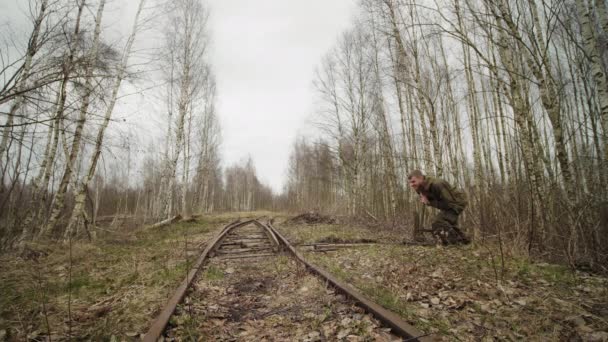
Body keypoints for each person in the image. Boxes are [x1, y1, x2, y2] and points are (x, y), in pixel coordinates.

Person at [407, 170, 470, 245]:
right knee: (449, 223)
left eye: (413, 181)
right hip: (448, 203)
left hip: (457, 203)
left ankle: (454, 242)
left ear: (421, 178)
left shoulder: (437, 184)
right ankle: (465, 241)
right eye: (410, 182)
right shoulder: (419, 188)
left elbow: (449, 204)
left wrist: (429, 202)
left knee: (438, 222)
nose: (411, 185)